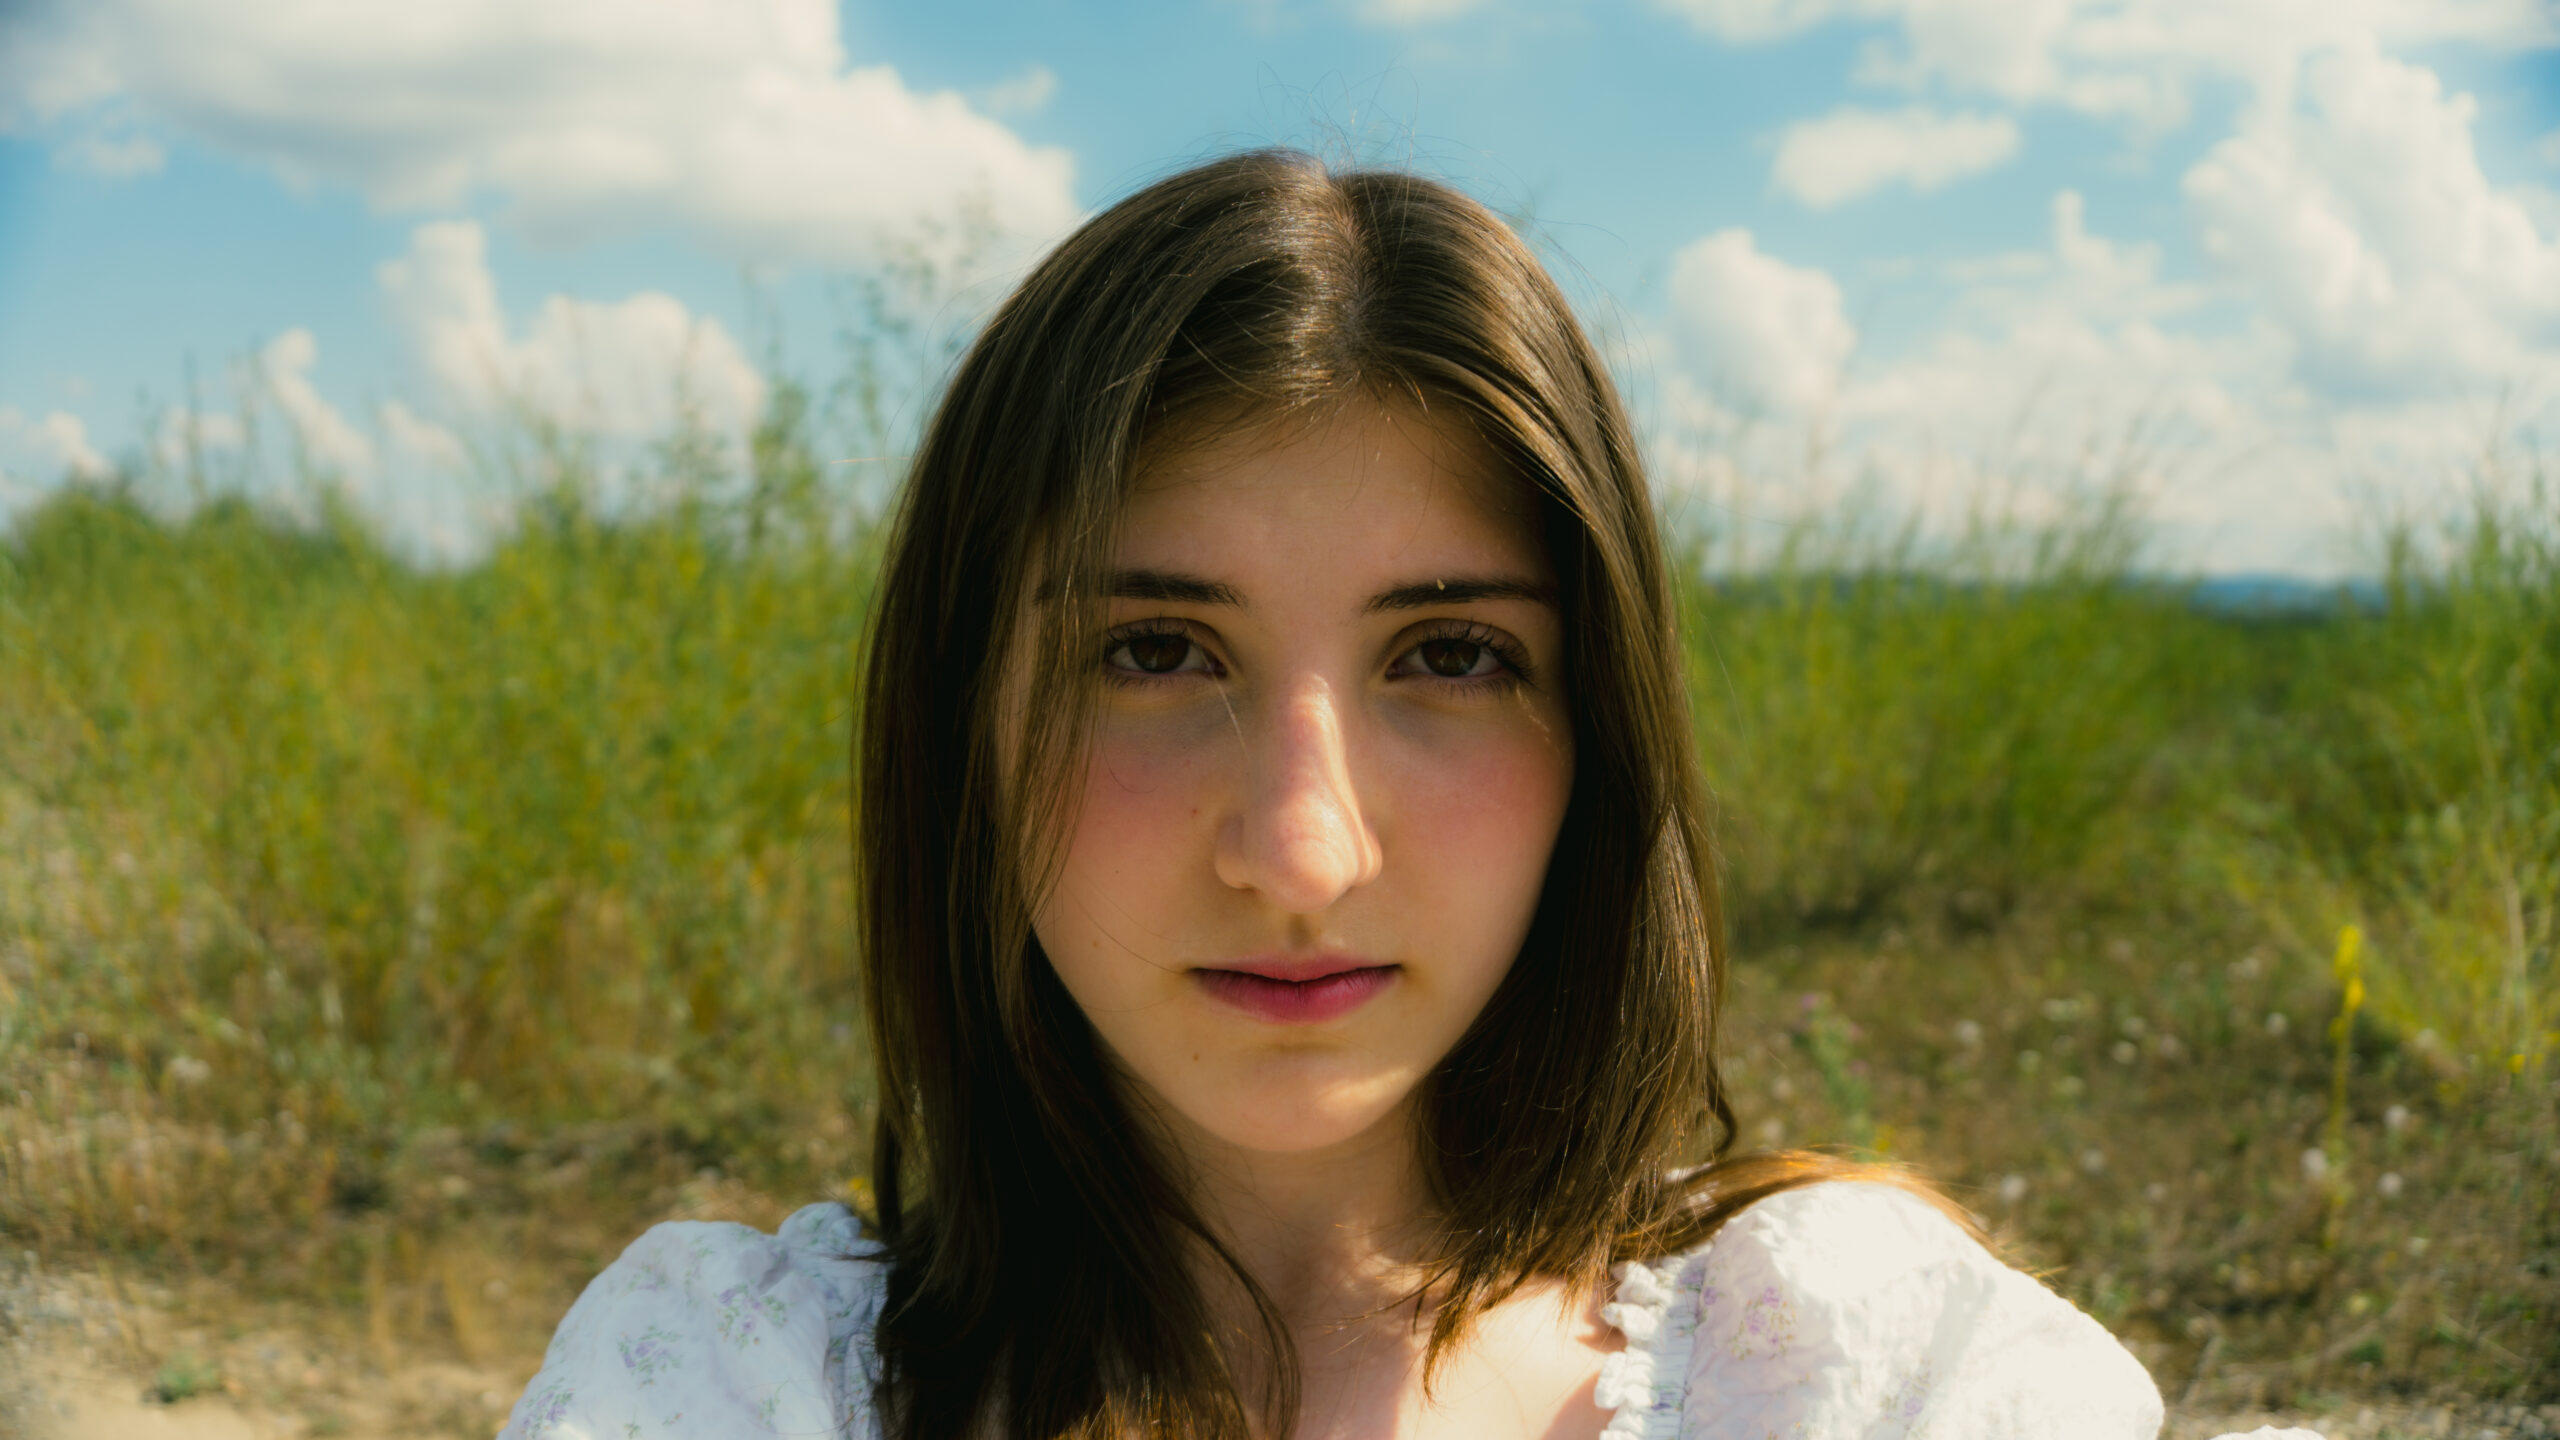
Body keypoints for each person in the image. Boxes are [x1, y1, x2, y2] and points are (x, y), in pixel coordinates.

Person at [499, 151, 2318, 1440]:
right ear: (958, 733)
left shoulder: (1849, 1372)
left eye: (1450, 654)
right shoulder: (735, 1384)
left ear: (1599, 736)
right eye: (1153, 652)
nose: (1302, 851)